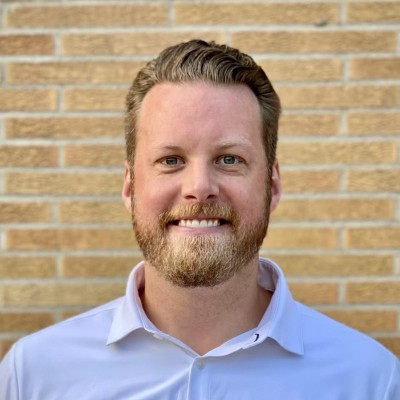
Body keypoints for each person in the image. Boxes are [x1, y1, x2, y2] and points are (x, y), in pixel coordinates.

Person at [0, 39, 399, 400]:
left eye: (229, 159)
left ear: (272, 185)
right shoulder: (33, 375)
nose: (199, 187)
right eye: (171, 160)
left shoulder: (370, 380)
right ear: (129, 186)